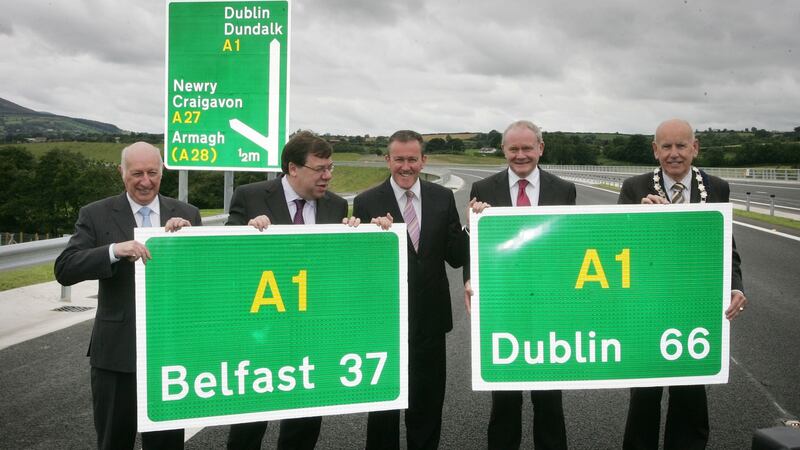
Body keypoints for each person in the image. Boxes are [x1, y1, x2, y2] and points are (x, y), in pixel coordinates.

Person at [54, 142, 201, 450]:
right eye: (136, 173)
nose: (145, 181)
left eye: (152, 173)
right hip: (116, 355)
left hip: (169, 357)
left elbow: (203, 281)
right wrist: (113, 251)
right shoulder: (96, 214)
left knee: (166, 444)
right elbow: (65, 269)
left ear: (163, 173)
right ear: (121, 172)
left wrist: (187, 243)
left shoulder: (187, 214)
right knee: (113, 442)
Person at [618, 118, 747, 450]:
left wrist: (735, 286)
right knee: (644, 395)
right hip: (648, 310)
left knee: (690, 397)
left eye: (681, 146)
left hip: (694, 311)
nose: (673, 154)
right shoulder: (634, 188)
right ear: (655, 150)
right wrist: (637, 218)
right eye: (666, 147)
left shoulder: (717, 187)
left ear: (695, 147)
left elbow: (725, 247)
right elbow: (616, 247)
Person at [225, 131, 359, 450]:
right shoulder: (250, 196)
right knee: (250, 419)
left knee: (305, 419)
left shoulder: (337, 205)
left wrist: (357, 236)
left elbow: (340, 267)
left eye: (331, 167)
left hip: (311, 330)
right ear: (293, 168)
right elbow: (226, 255)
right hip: (262, 328)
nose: (327, 176)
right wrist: (246, 234)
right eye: (320, 169)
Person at [353, 130, 468, 450]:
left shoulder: (442, 198)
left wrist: (475, 223)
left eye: (412, 159)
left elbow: (456, 257)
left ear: (424, 161)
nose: (406, 166)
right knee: (384, 409)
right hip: (385, 322)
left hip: (431, 320)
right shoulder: (366, 201)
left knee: (428, 405)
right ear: (387, 160)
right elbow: (359, 267)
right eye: (399, 159)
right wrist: (369, 238)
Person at [464, 120, 575, 450]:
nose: (521, 155)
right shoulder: (483, 187)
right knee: (505, 401)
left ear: (541, 148)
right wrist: (471, 278)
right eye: (514, 148)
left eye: (528, 148)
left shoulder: (563, 189)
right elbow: (474, 244)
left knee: (549, 402)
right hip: (504, 306)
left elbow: (571, 245)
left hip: (549, 306)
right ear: (504, 151)